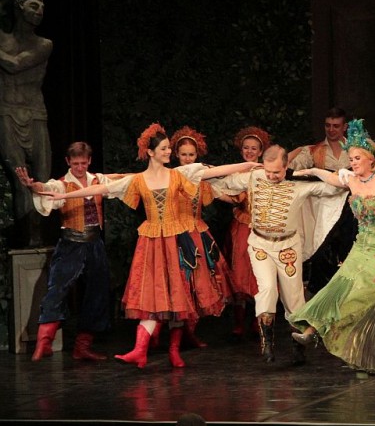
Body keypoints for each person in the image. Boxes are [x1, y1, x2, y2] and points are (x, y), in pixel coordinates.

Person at [38, 123, 260, 368]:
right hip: (152, 243)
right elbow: (103, 187)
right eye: (164, 148)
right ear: (151, 152)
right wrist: (64, 196)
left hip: (175, 240)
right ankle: (140, 349)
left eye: (168, 148)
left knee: (178, 294)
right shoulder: (139, 180)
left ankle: (172, 350)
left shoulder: (180, 174)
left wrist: (250, 165)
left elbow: (218, 171)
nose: (169, 152)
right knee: (154, 295)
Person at [288, 119, 375, 375]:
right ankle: (316, 332)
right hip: (361, 245)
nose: (352, 162)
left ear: (370, 159)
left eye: (356, 158)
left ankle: (322, 331)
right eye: (350, 158)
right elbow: (328, 176)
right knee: (339, 287)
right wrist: (307, 171)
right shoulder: (351, 180)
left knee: (368, 294)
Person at [210, 144, 348, 365]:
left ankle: (298, 347)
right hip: (260, 244)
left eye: (276, 172)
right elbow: (225, 182)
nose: (271, 176)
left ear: (286, 167)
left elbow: (335, 188)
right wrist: (203, 176)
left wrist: (316, 172)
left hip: (288, 248)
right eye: (268, 171)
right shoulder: (254, 177)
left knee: (294, 298)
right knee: (266, 289)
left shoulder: (299, 185)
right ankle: (267, 343)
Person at [289, 107, 375, 294]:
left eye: (336, 126)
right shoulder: (314, 151)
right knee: (323, 249)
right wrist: (293, 154)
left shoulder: (354, 150)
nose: (331, 129)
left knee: (350, 245)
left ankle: (352, 290)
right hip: (325, 208)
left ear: (344, 127)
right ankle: (325, 292)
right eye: (328, 125)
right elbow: (289, 166)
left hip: (352, 205)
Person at [15, 142, 111, 362]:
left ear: (89, 161)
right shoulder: (61, 184)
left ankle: (83, 346)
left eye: (83, 163)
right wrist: (32, 186)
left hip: (94, 243)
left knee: (97, 292)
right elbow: (45, 188)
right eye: (75, 163)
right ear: (68, 162)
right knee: (56, 290)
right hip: (71, 244)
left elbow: (123, 181)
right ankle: (44, 341)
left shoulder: (97, 180)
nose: (80, 167)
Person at [166, 126, 236, 350]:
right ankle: (169, 336)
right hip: (176, 235)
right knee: (179, 283)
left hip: (198, 233)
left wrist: (244, 199)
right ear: (177, 155)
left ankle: (189, 332)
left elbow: (222, 194)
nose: (187, 158)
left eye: (191, 154)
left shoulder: (201, 179)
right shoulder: (170, 177)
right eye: (183, 154)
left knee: (199, 285)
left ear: (197, 156)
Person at [0, 0, 53, 247]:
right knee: (19, 178)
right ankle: (29, 237)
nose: (39, 11)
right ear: (19, 8)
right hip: (7, 111)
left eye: (42, 7)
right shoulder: (3, 39)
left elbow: (15, 65)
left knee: (41, 178)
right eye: (34, 6)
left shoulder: (44, 44)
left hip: (35, 113)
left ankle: (39, 233)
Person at [223, 126, 271, 338]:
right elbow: (230, 193)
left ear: (260, 151)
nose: (249, 151)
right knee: (240, 271)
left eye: (254, 148)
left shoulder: (266, 172)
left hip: (262, 226)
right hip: (242, 226)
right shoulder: (235, 172)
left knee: (260, 272)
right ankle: (239, 322)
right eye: (246, 148)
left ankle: (257, 320)